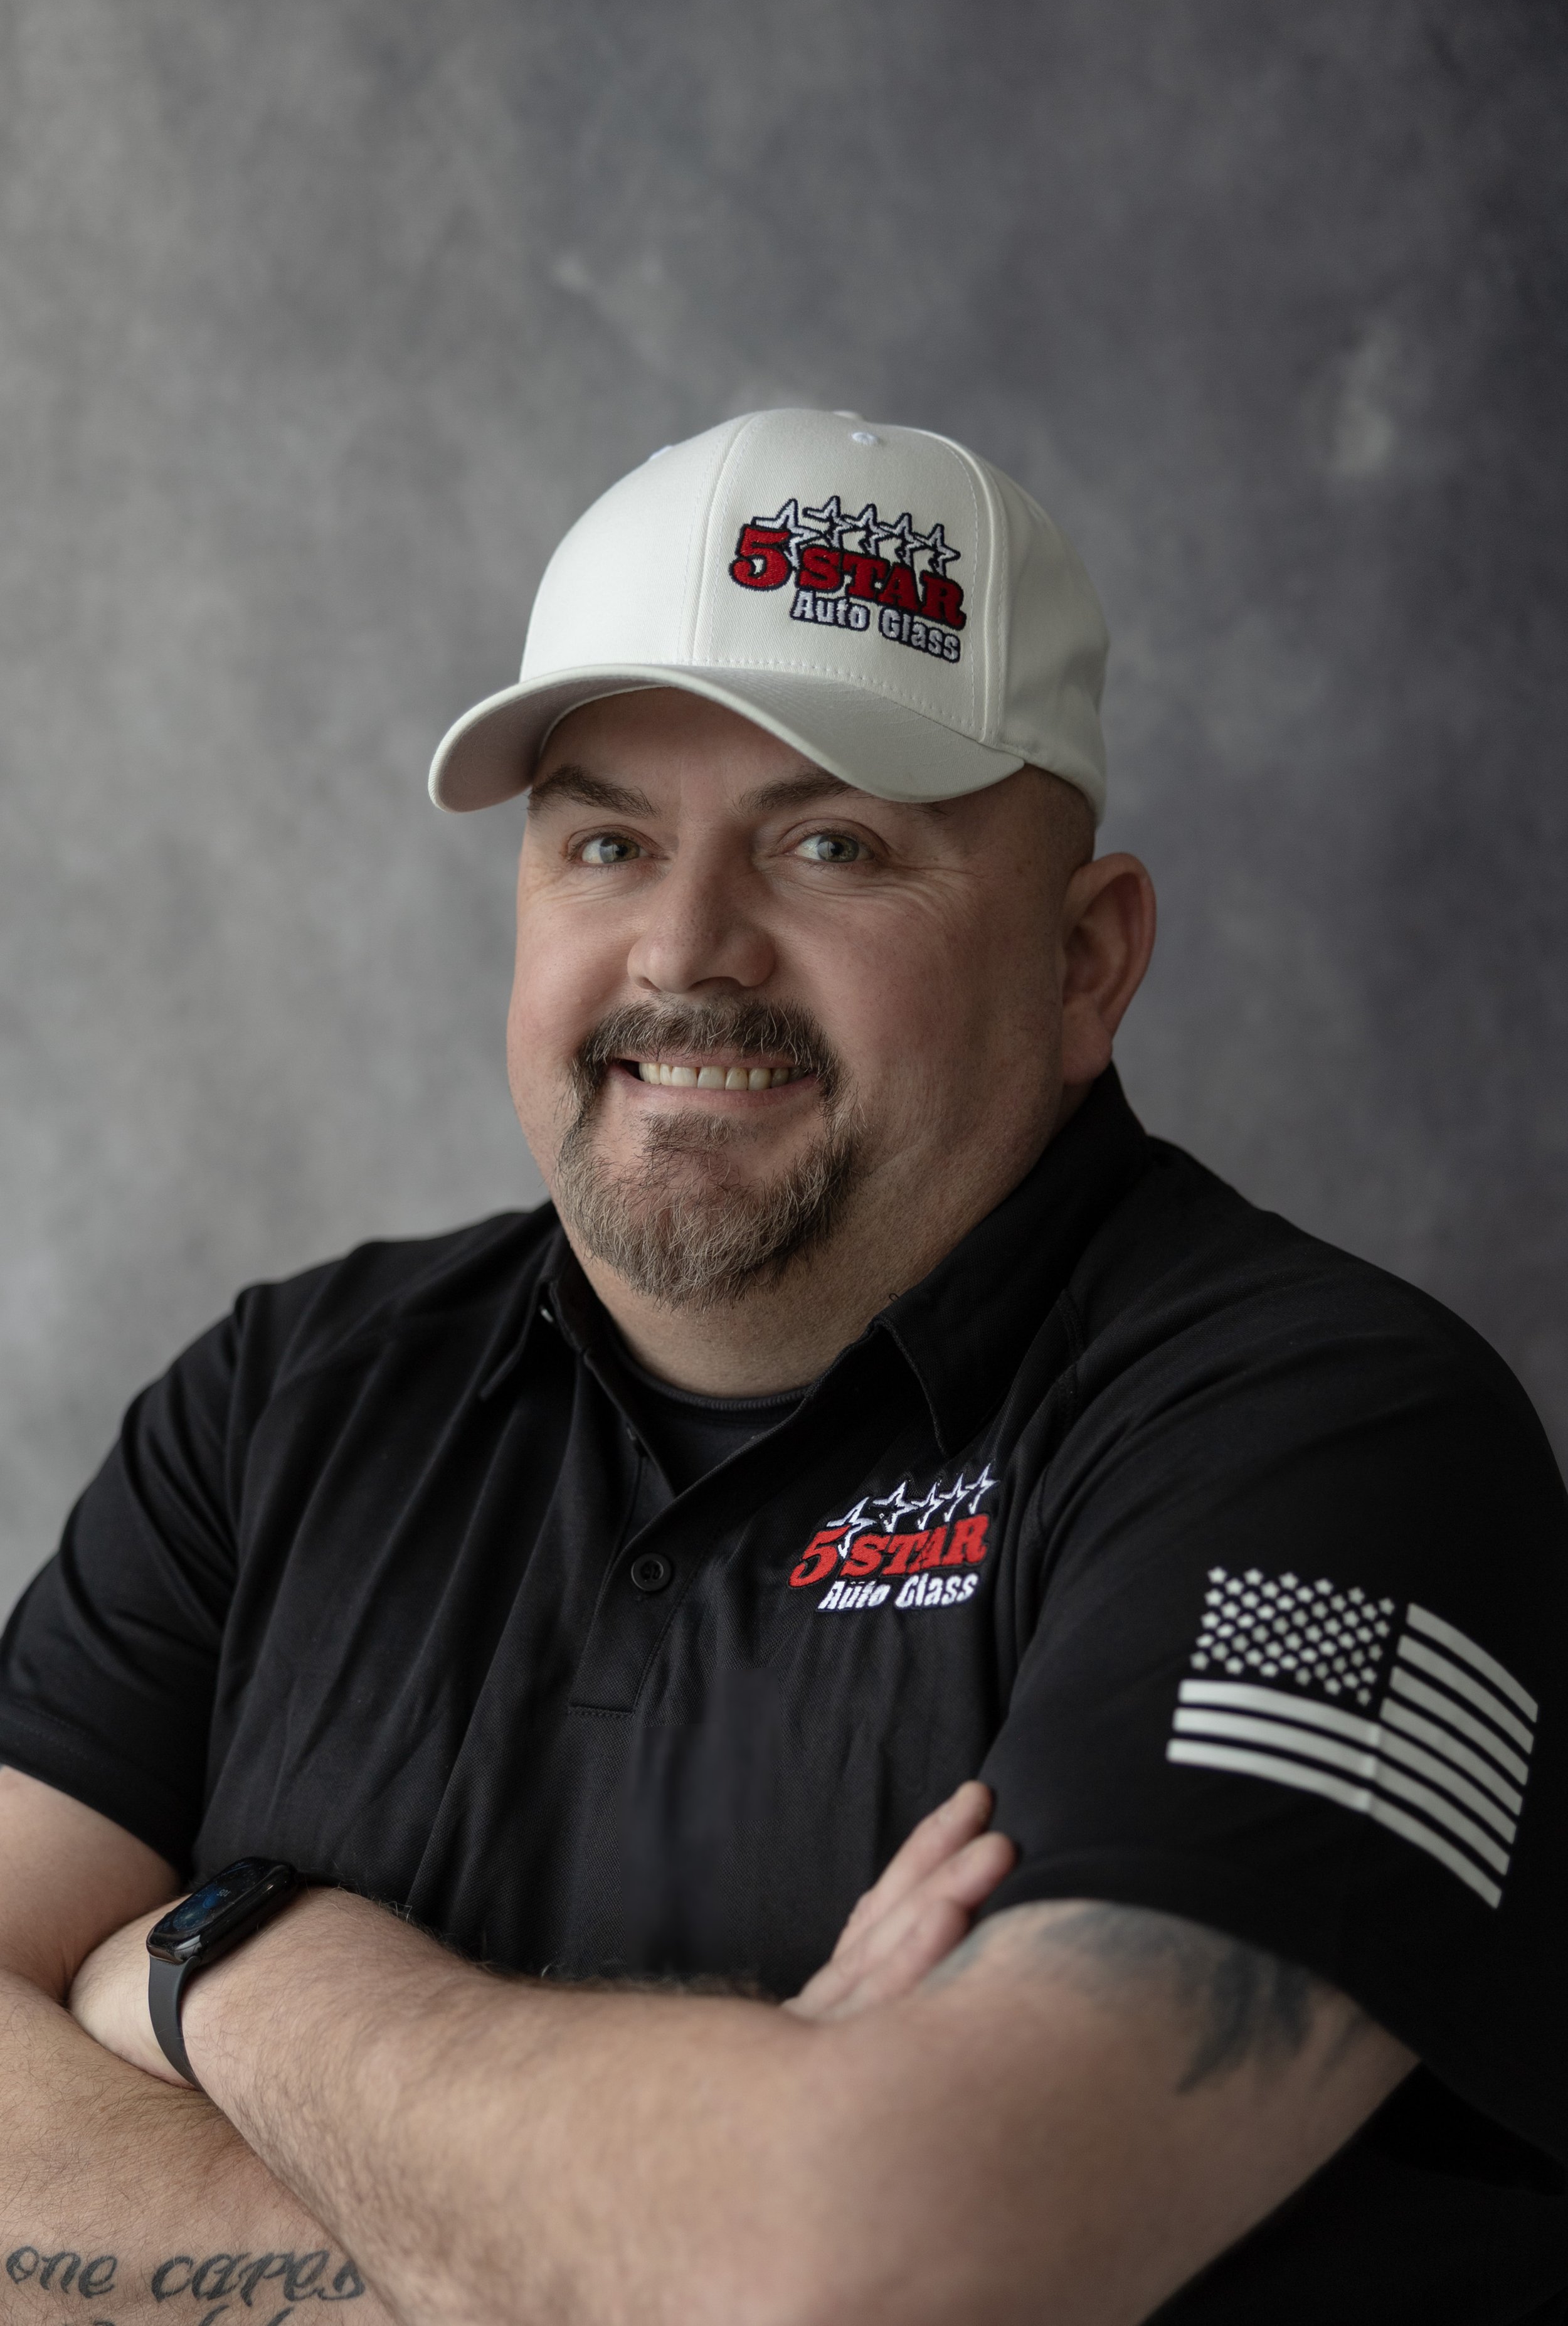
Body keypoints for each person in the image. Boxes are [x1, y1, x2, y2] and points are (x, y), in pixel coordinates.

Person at [0, 408, 1563, 2326]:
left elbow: (869, 2267)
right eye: (603, 839)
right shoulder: (281, 1403)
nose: (685, 950)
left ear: (1085, 958)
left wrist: (232, 1963)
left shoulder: (1336, 1442)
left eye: (830, 842)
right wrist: (544, 2254)